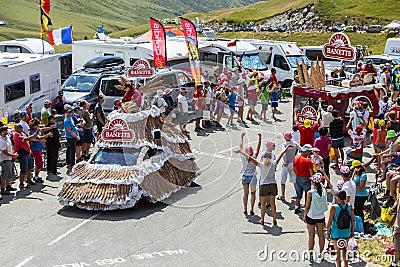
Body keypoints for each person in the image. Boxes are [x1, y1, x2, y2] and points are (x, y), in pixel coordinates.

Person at [236, 142, 293, 225]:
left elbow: (250, 158)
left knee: (263, 204)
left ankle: (262, 219)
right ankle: (274, 219)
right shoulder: (273, 164)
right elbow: (281, 154)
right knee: (273, 204)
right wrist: (287, 147)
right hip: (273, 184)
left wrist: (242, 152)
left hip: (264, 185)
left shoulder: (261, 165)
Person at [326, 190, 355, 267]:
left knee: (337, 252)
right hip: (346, 232)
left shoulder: (334, 207)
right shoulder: (350, 206)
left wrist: (328, 234)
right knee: (344, 250)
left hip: (336, 233)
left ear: (337, 197)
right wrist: (352, 231)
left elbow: (329, 222)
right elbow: (352, 220)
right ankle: (346, 265)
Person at [304, 173, 328, 262]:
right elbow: (321, 187)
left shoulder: (310, 193)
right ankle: (321, 254)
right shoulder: (324, 191)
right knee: (321, 235)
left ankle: (310, 255)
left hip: (311, 216)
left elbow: (307, 206)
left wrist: (304, 215)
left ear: (313, 182)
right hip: (320, 216)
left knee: (311, 236)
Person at [238, 132, 261, 216]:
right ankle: (251, 208)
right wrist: (260, 137)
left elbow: (240, 146)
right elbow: (258, 148)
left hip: (245, 176)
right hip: (252, 177)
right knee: (253, 193)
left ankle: (245, 209)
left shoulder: (243, 156)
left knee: (245, 194)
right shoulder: (253, 157)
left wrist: (241, 137)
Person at [13, 123, 39, 188]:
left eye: (21, 127)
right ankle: (21, 183)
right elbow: (26, 139)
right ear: (16, 129)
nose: (21, 128)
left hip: (27, 152)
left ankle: (28, 179)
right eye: (20, 127)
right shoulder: (16, 135)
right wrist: (35, 134)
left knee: (29, 167)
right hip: (22, 153)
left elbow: (28, 139)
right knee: (23, 168)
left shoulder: (23, 133)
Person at [278, 131, 301, 201]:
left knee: (283, 181)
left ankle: (282, 195)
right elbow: (301, 149)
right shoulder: (294, 143)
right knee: (294, 181)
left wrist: (285, 162)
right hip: (293, 163)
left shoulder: (284, 144)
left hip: (286, 164)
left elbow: (284, 154)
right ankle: (297, 194)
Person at [29, 118, 52, 183]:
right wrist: (47, 135)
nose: (38, 126)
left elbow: (42, 129)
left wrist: (49, 128)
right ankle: (36, 176)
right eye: (36, 125)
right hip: (35, 149)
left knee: (38, 163)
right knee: (39, 164)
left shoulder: (37, 130)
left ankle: (36, 176)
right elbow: (39, 138)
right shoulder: (33, 132)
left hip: (39, 148)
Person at [294, 144, 315, 214]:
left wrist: (297, 174)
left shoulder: (296, 158)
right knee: (308, 193)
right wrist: (313, 180)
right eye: (309, 151)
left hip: (298, 177)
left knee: (298, 194)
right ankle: (307, 207)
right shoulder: (308, 160)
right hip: (306, 179)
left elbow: (294, 168)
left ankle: (296, 207)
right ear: (306, 151)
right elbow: (311, 171)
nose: (310, 153)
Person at [0, 126, 18, 197]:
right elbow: (5, 152)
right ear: (2, 132)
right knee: (5, 174)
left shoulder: (7, 137)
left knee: (9, 173)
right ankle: (2, 189)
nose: (7, 131)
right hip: (4, 159)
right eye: (5, 130)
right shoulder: (1, 140)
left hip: (9, 158)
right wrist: (13, 155)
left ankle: (8, 186)